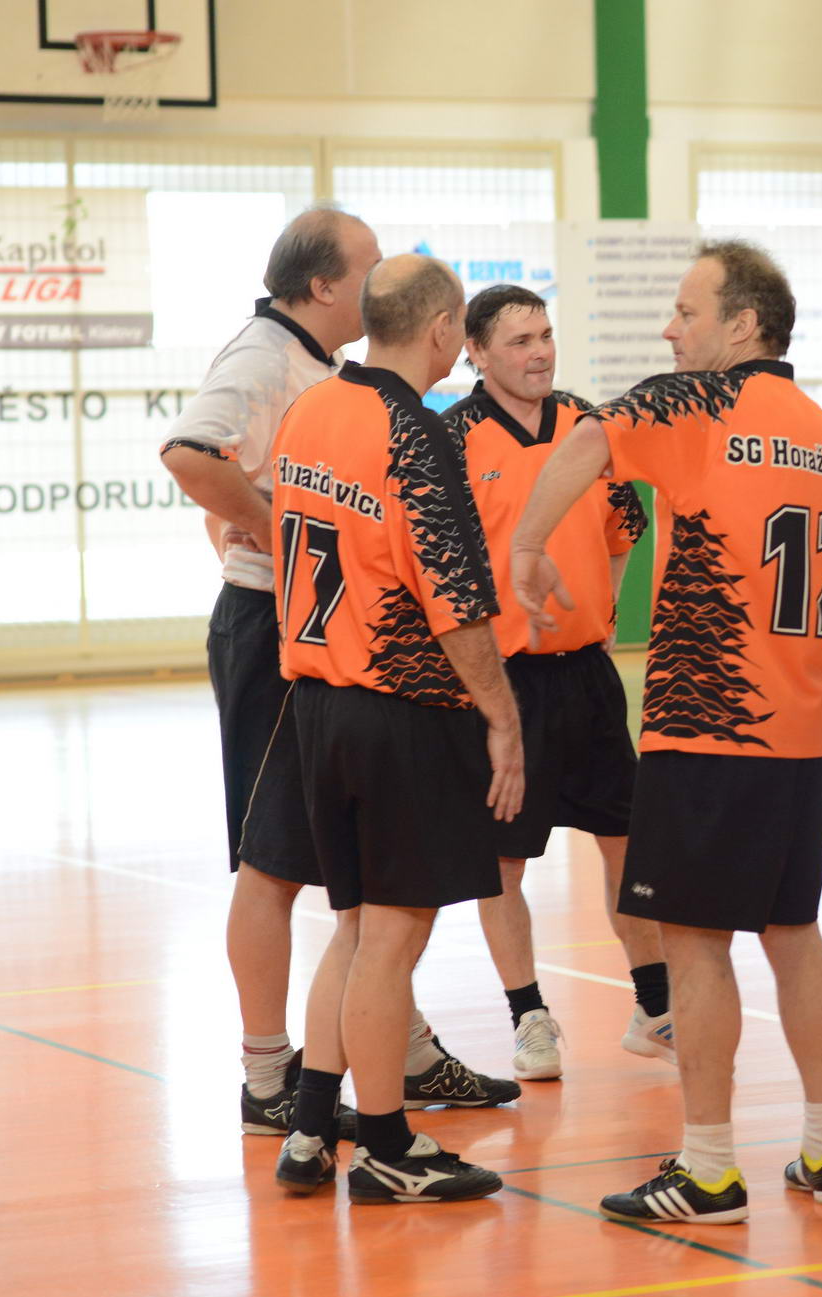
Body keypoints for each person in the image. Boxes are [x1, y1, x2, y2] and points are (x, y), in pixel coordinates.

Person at [510, 241, 822, 1223]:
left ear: (743, 325)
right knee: (793, 933)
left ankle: (706, 1169)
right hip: (802, 732)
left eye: (687, 312)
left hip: (706, 727)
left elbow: (586, 439)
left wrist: (526, 544)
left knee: (694, 943)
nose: (670, 329)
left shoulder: (696, 404)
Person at [158, 209, 511, 1137]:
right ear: (322, 286)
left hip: (328, 632)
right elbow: (190, 451)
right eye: (367, 266)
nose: (380, 278)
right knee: (273, 862)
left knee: (369, 886)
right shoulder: (267, 357)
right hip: (284, 632)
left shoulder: (333, 379)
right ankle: (267, 1070)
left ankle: (399, 1049)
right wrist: (268, 528)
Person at [267, 254, 521, 1203]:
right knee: (392, 936)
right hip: (398, 707)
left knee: (355, 927)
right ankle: (384, 1145)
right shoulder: (416, 432)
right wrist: (502, 716)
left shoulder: (311, 408)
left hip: (318, 704)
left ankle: (309, 1128)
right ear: (446, 329)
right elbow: (454, 599)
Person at [442, 284, 674, 1078]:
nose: (539, 352)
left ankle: (654, 1006)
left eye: (545, 335)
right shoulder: (453, 439)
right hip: (503, 684)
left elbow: (625, 527)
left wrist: (605, 610)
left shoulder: (588, 426)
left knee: (626, 840)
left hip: (586, 677)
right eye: (519, 341)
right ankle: (528, 1016)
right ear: (476, 351)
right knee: (503, 861)